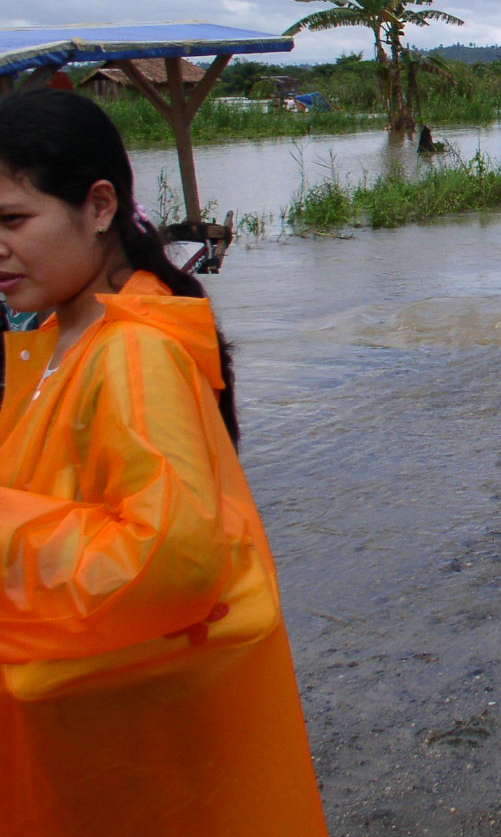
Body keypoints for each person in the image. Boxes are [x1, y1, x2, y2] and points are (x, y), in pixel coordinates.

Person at [0, 90, 327, 836]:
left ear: (100, 206)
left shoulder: (133, 354)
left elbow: (170, 558)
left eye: (14, 221)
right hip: (86, 736)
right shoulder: (59, 338)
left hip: (137, 766)